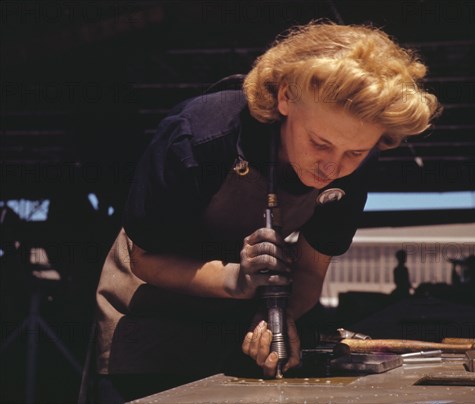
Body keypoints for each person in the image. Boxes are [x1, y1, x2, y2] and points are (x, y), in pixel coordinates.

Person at [93, 21, 440, 401]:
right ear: (286, 97)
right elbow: (146, 260)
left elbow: (309, 270)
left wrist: (279, 318)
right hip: (149, 309)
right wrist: (236, 281)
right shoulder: (200, 137)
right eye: (319, 143)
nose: (331, 168)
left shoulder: (353, 165)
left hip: (241, 322)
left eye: (354, 153)